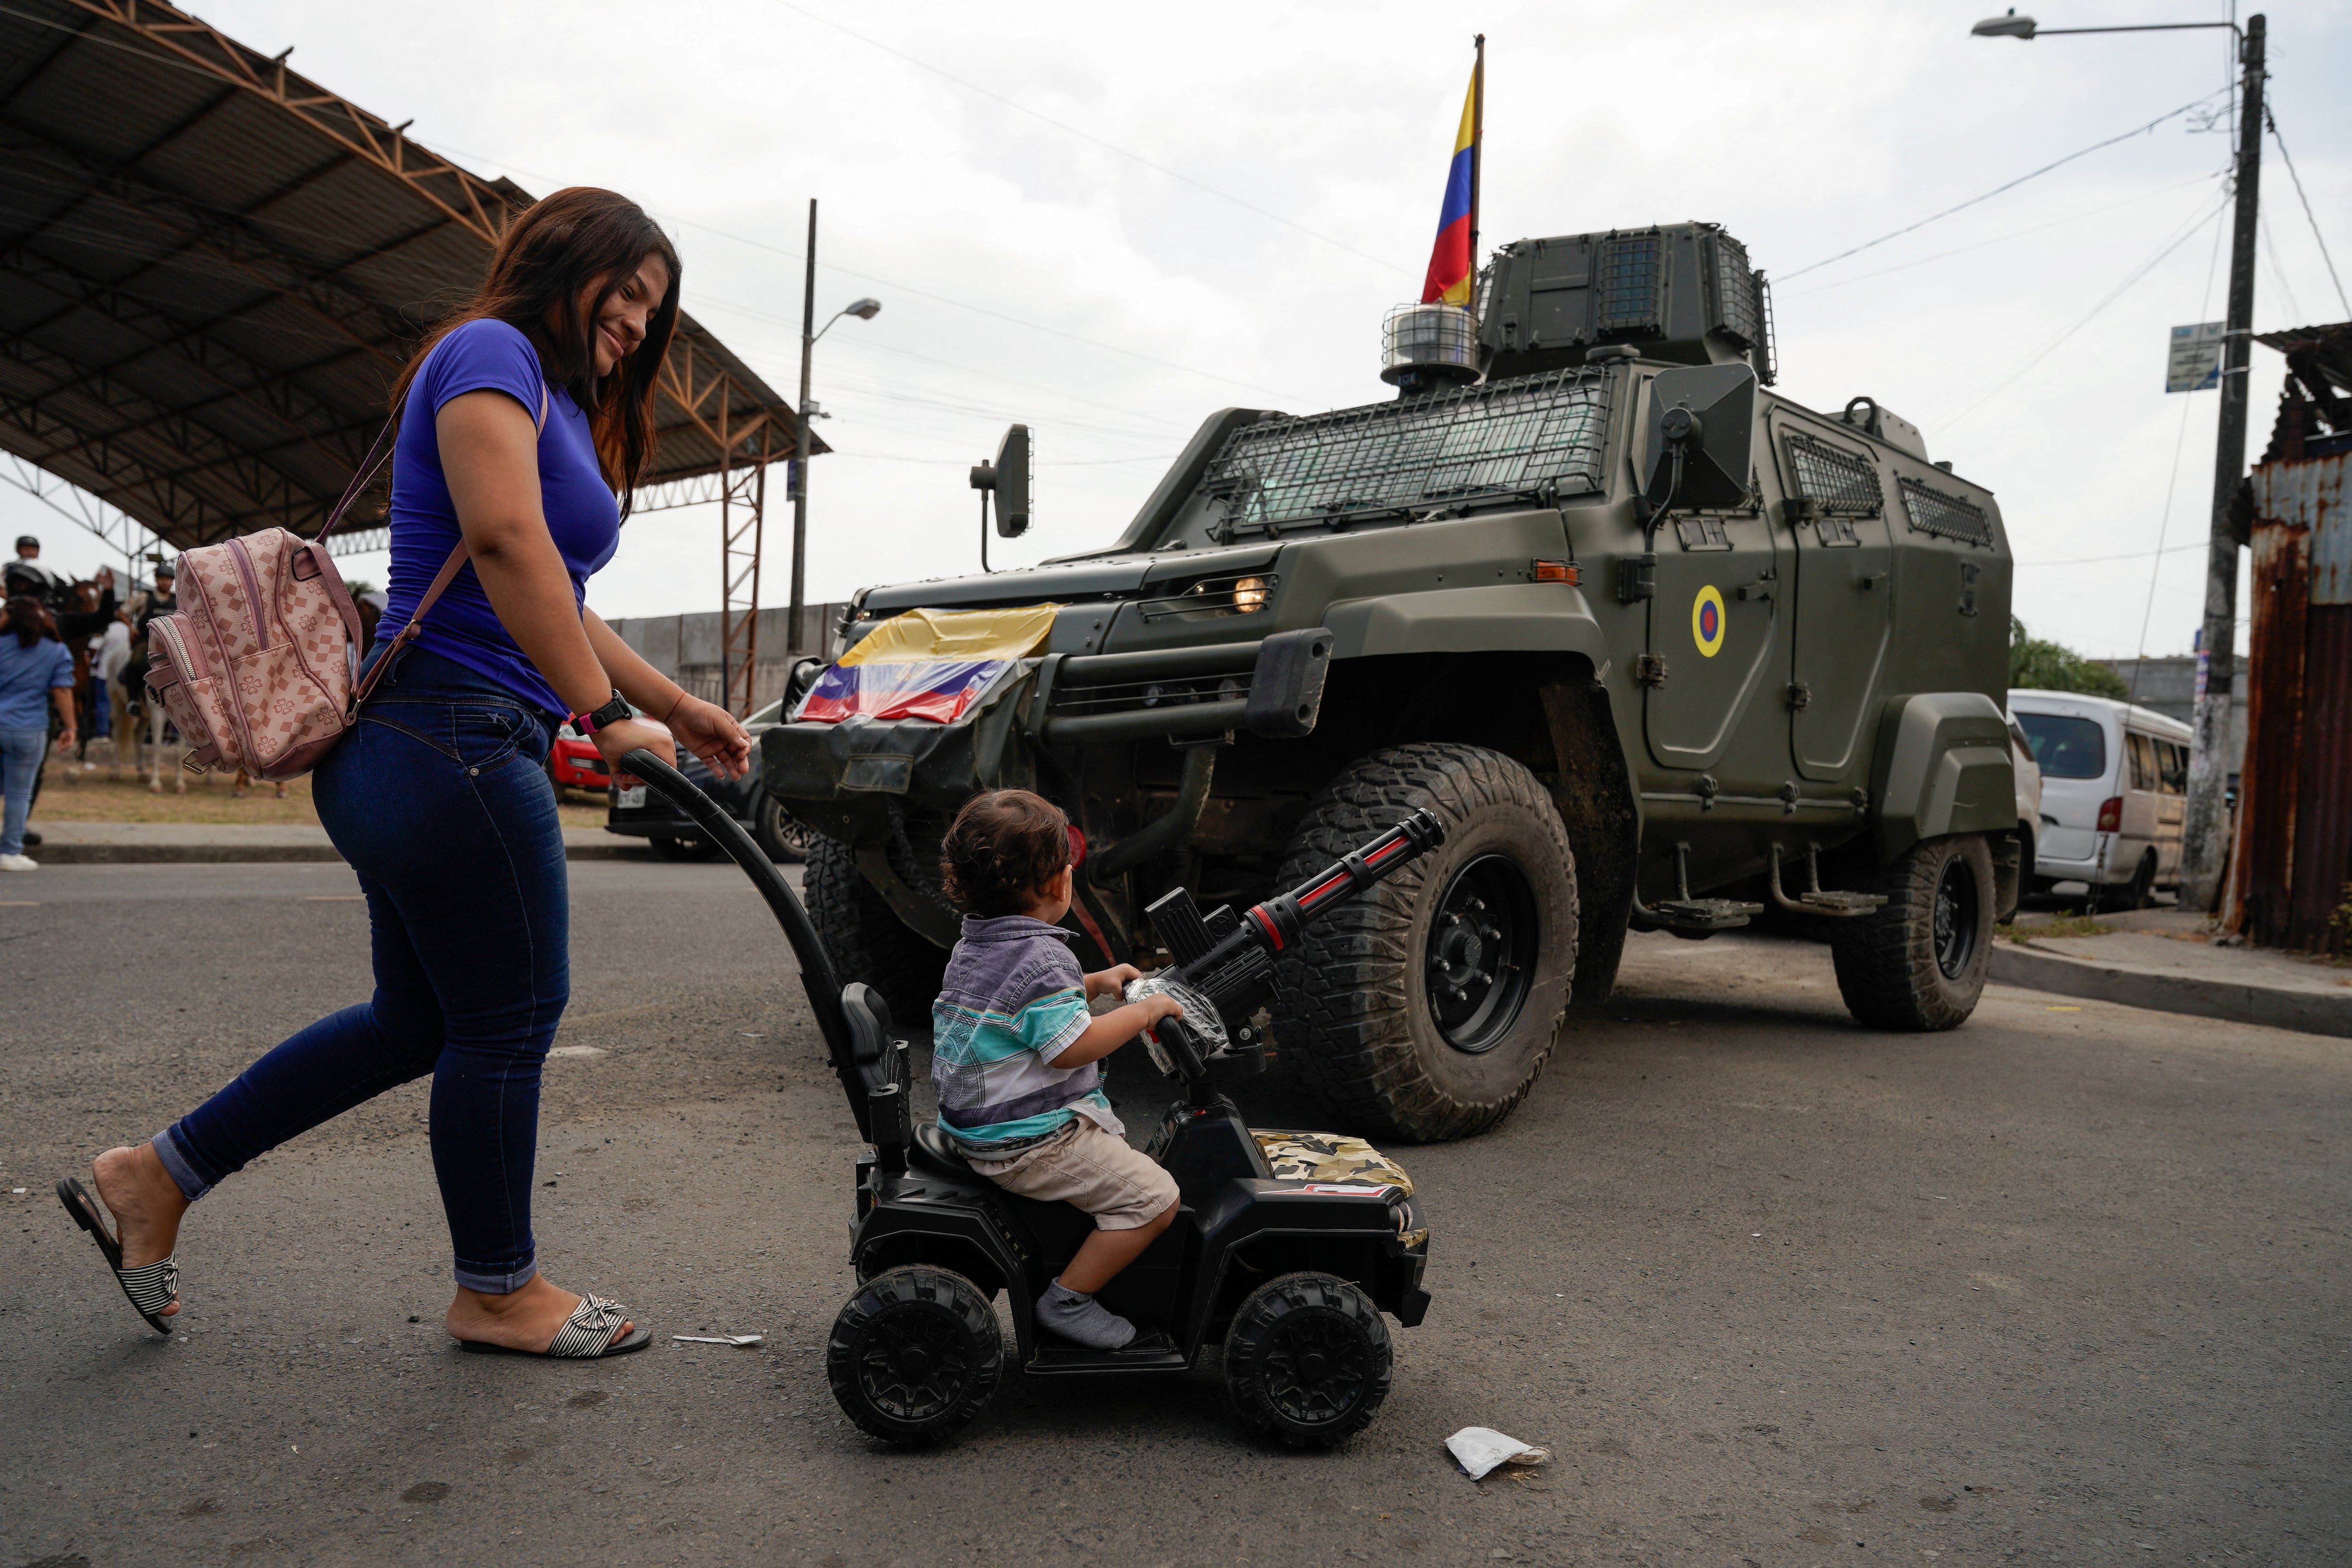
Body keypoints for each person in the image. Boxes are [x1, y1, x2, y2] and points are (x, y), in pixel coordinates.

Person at [57, 187, 750, 1358]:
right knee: (512, 1017)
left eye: (653, 309)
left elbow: (557, 593)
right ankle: (496, 1291)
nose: (637, 322)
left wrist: (678, 709)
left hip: (438, 747)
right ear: (561, 262)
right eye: (624, 291)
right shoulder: (492, 352)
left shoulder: (564, 407)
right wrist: (607, 713)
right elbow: (502, 542)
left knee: (417, 1020)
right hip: (449, 739)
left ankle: (155, 1175)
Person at [930, 788, 1186, 1351]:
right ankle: (1068, 1298)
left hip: (979, 1126)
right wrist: (1142, 1010)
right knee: (1156, 1199)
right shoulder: (1044, 958)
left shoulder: (977, 942)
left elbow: (1021, 1008)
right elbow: (1073, 1046)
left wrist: (1094, 984)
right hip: (1030, 1143)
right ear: (1056, 884)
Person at [0, 594, 75, 871]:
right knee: (19, 793)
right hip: (28, 728)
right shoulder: (56, 651)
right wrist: (71, 727)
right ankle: (9, 851)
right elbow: (62, 690)